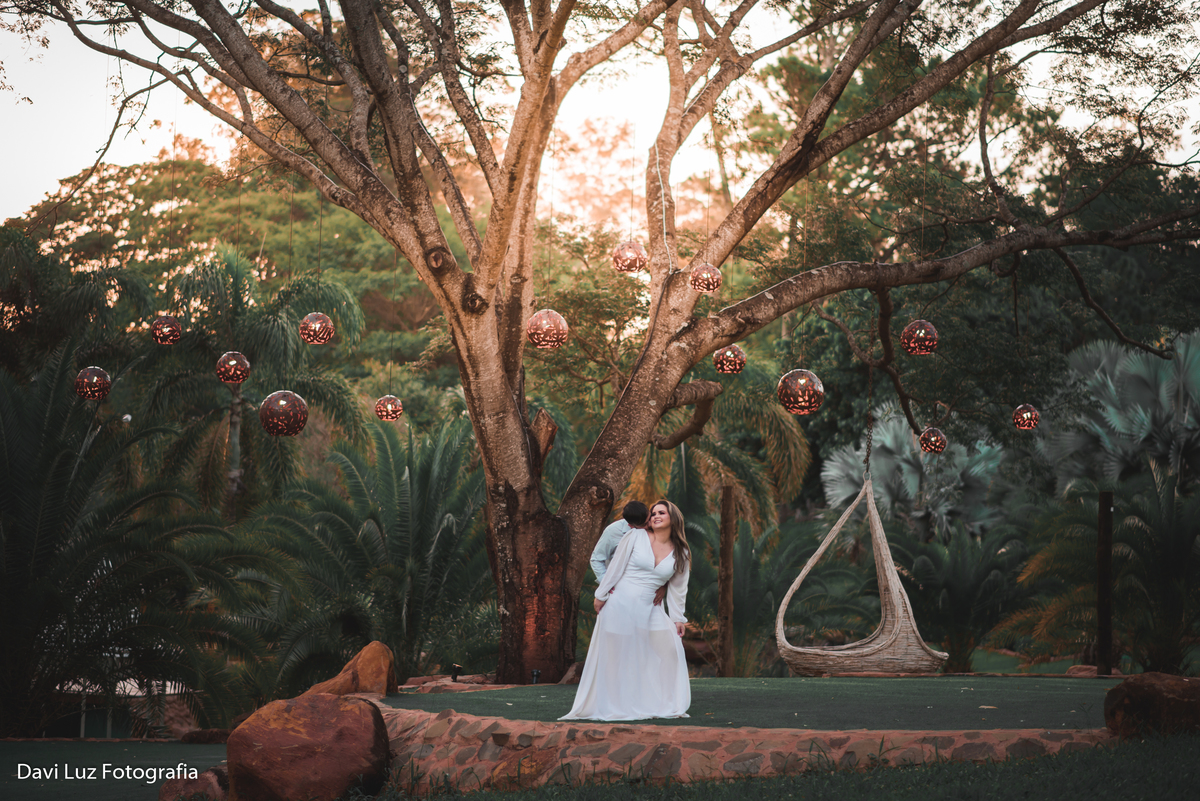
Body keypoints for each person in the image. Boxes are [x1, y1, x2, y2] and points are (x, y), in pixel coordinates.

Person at [561, 499, 691, 720]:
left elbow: (679, 586)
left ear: (674, 517)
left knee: (670, 650)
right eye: (653, 513)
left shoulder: (682, 551)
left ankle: (665, 703)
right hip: (620, 603)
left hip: (651, 607)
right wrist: (601, 594)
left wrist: (678, 618)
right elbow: (616, 566)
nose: (656, 516)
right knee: (616, 656)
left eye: (662, 512)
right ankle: (614, 705)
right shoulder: (635, 536)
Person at [590, 501, 649, 584]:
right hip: (622, 584)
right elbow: (597, 559)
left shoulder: (655, 526)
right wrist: (606, 583)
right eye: (644, 524)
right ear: (631, 525)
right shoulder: (612, 531)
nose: (649, 525)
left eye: (649, 519)